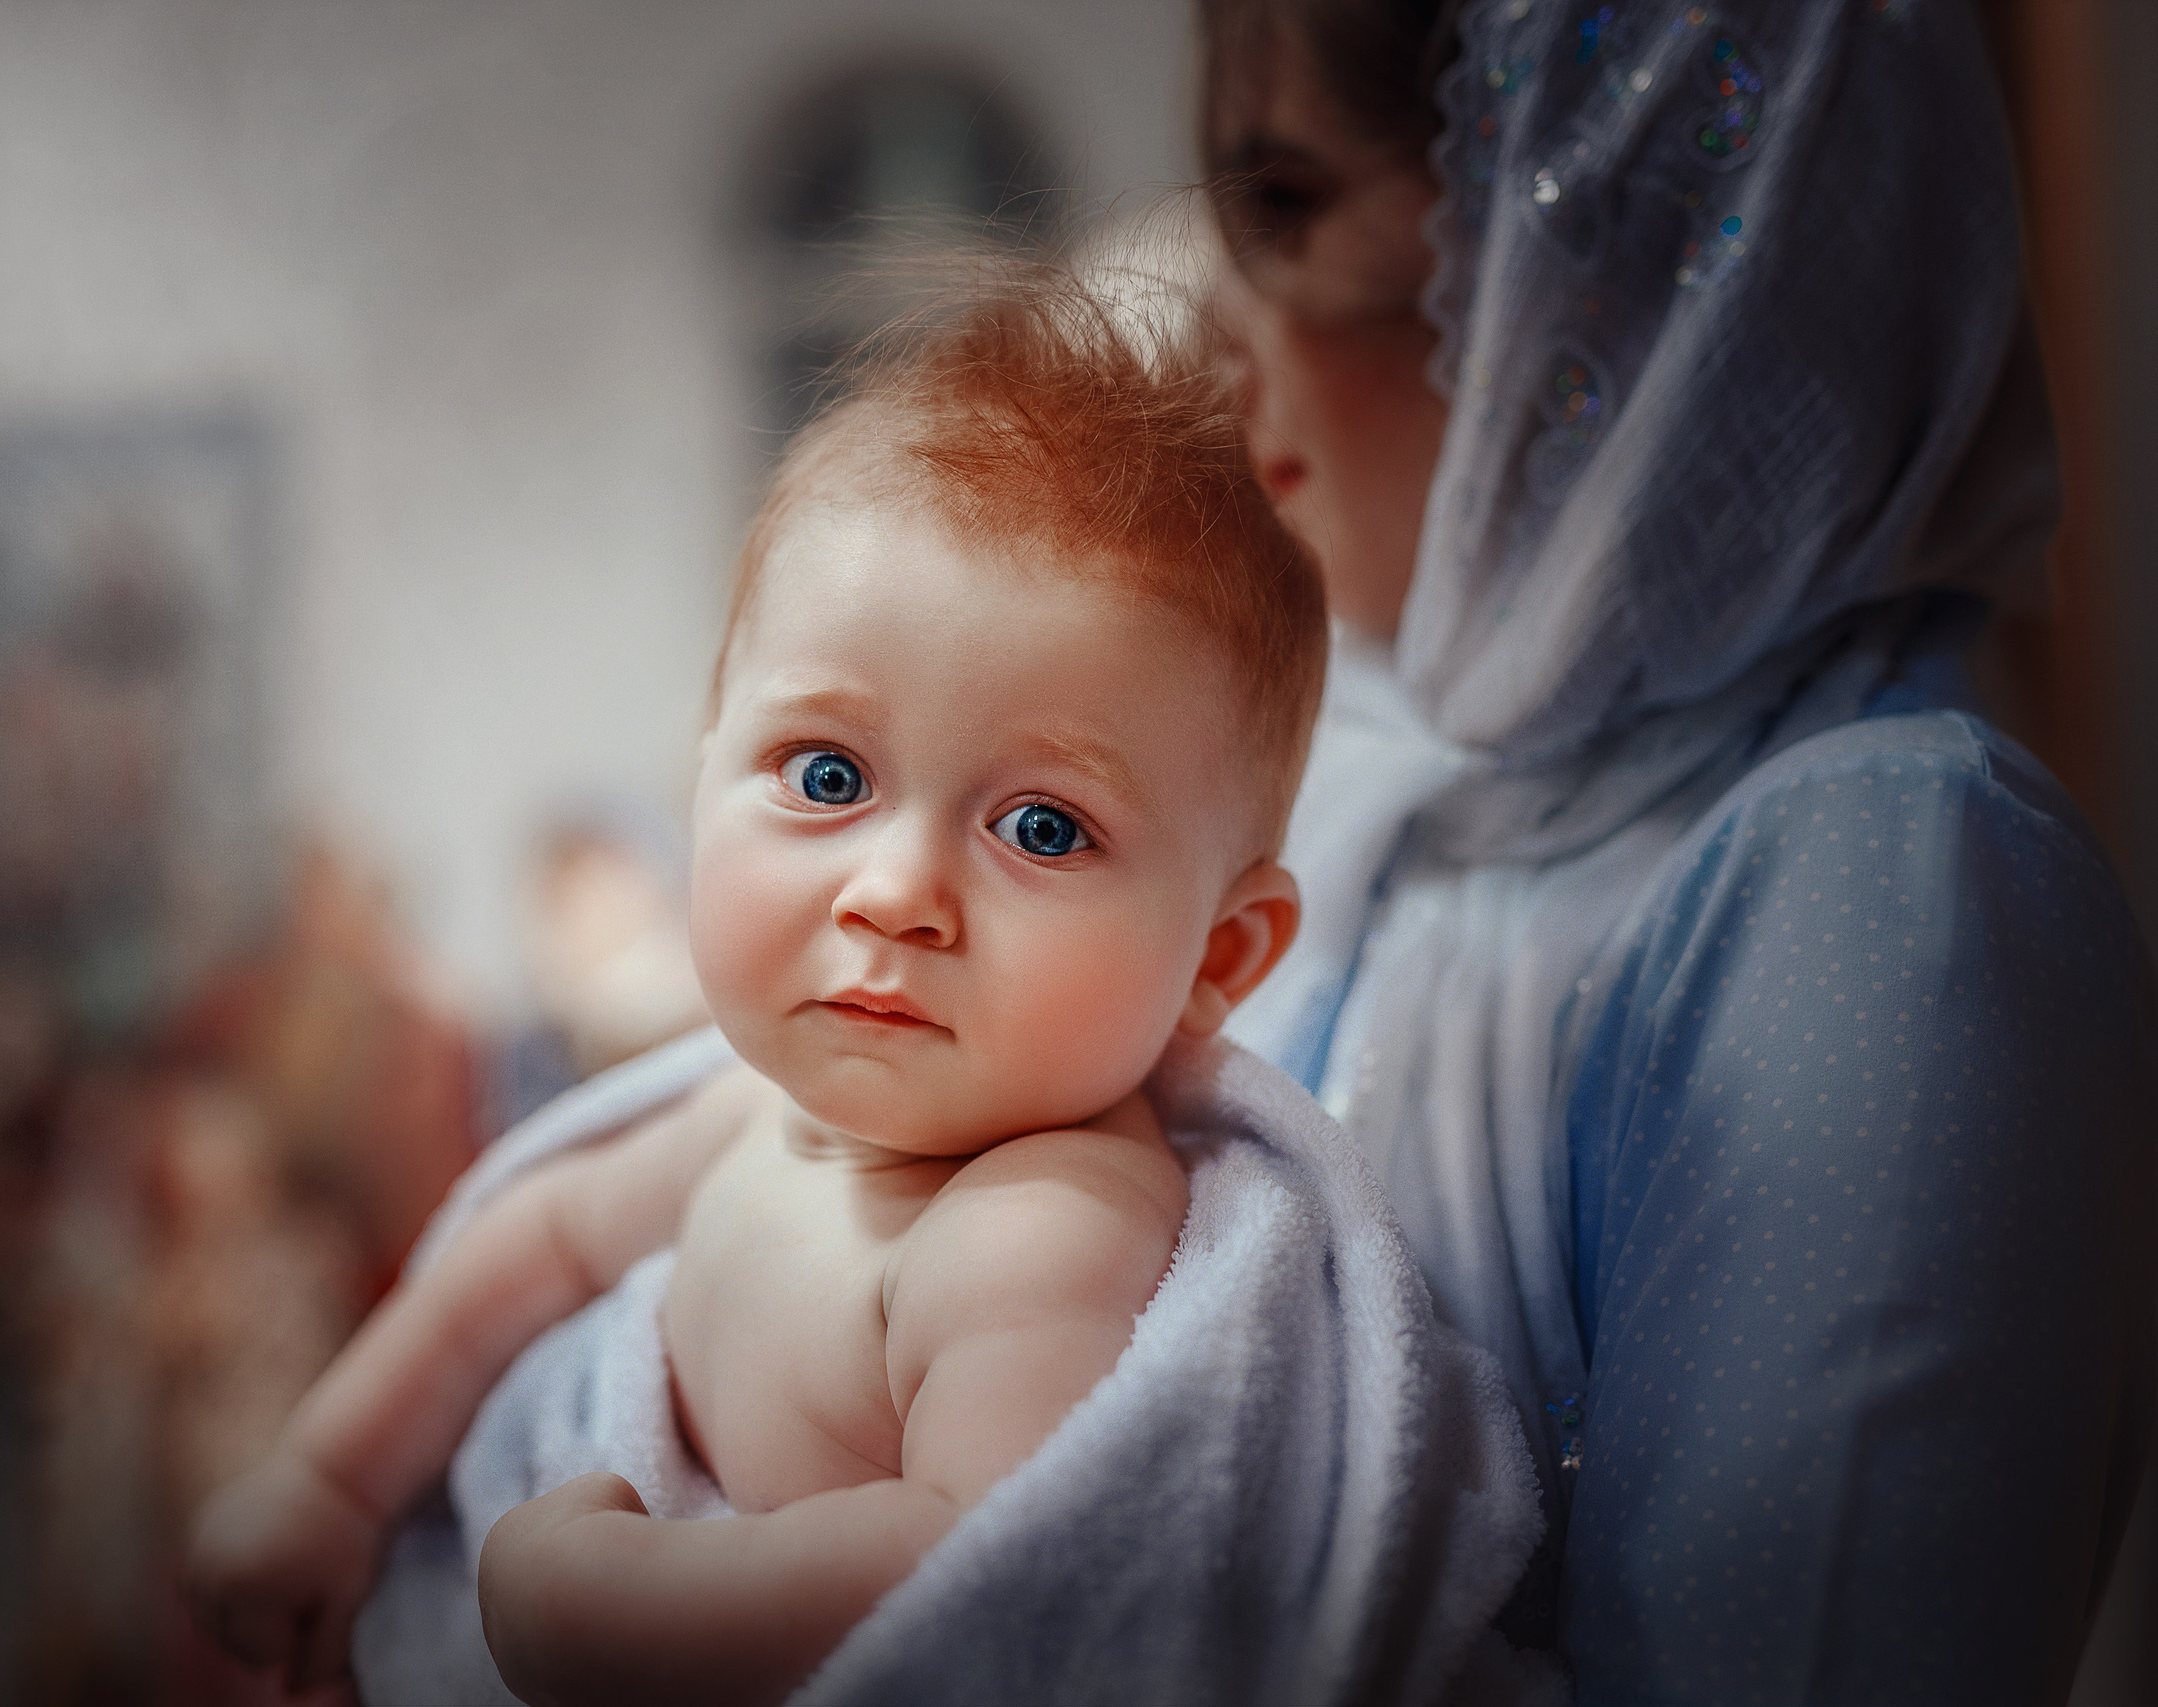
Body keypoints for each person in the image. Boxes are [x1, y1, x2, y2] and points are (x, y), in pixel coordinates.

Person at [184, 276, 1481, 1705]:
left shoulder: (1035, 1226)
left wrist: (601, 1614)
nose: (895, 892)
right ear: (702, 770)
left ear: (1222, 958)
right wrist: (332, 1482)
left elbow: (978, 1575)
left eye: (1043, 826)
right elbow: (533, 1244)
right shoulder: (745, 1119)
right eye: (827, 777)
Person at [1200, 0, 2156, 1701]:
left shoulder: (1884, 897)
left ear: (1606, 256)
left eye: (1284, 212)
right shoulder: (1394, 780)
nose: (1218, 349)